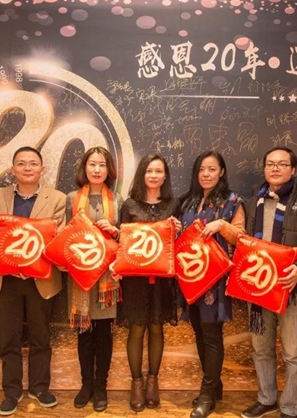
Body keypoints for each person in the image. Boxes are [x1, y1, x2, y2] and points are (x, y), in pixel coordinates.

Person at [241, 147, 297, 418]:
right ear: (264, 169)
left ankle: (290, 409)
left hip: (293, 289)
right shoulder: (252, 202)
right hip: (258, 287)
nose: (275, 168)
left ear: (293, 169)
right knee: (261, 349)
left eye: (282, 164)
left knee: (293, 353)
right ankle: (266, 398)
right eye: (270, 164)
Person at [0, 146, 66, 416]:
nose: (27, 168)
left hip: (40, 280)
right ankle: (12, 391)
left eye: (33, 163)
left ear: (42, 169)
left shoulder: (57, 198)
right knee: (8, 338)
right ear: (13, 169)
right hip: (5, 279)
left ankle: (40, 387)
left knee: (40, 336)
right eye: (21, 163)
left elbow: (58, 238)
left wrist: (29, 261)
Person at [177, 150, 245, 418]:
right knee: (199, 332)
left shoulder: (233, 202)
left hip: (215, 280)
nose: (206, 174)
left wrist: (221, 226)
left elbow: (241, 238)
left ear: (222, 172)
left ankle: (206, 395)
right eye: (202, 170)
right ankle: (214, 386)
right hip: (190, 276)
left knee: (212, 335)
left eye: (212, 169)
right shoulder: (188, 202)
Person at [116, 154, 182, 412]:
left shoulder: (173, 204)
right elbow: (122, 241)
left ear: (165, 176)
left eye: (159, 171)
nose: (154, 175)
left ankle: (153, 381)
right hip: (135, 280)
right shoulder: (129, 204)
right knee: (136, 328)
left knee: (156, 327)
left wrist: (177, 230)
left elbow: (178, 244)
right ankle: (136, 383)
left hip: (162, 280)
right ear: (142, 174)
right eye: (149, 171)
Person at [66, 146, 123, 412]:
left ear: (108, 170)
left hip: (107, 278)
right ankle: (86, 385)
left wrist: (115, 231)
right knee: (84, 333)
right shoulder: (71, 198)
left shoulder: (118, 200)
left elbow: (127, 238)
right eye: (92, 164)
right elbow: (64, 236)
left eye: (102, 165)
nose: (97, 169)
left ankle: (101, 386)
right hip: (80, 276)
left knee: (103, 334)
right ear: (84, 168)